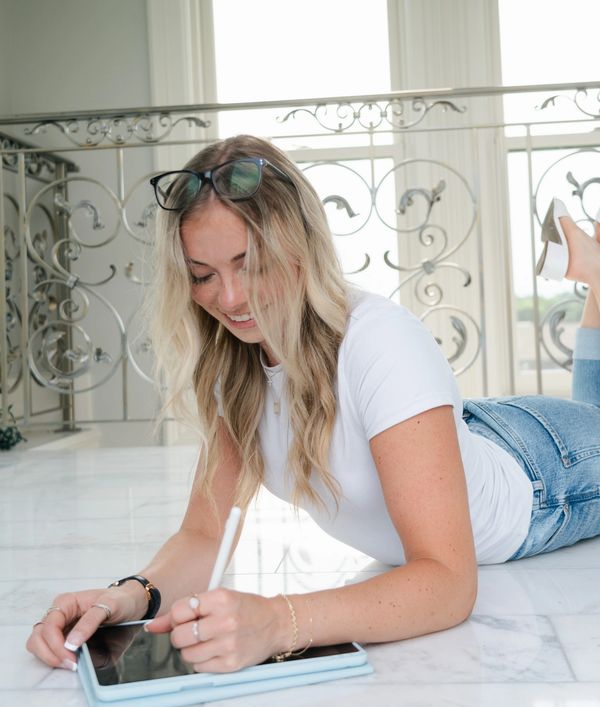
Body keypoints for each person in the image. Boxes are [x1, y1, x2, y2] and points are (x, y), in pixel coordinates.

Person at [26, 135, 600, 675]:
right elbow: (203, 537)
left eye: (249, 265)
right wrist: (127, 596)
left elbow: (448, 582)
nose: (228, 298)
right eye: (202, 275)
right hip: (459, 437)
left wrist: (278, 622)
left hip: (545, 478)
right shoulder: (234, 365)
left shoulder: (381, 341)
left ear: (298, 244)